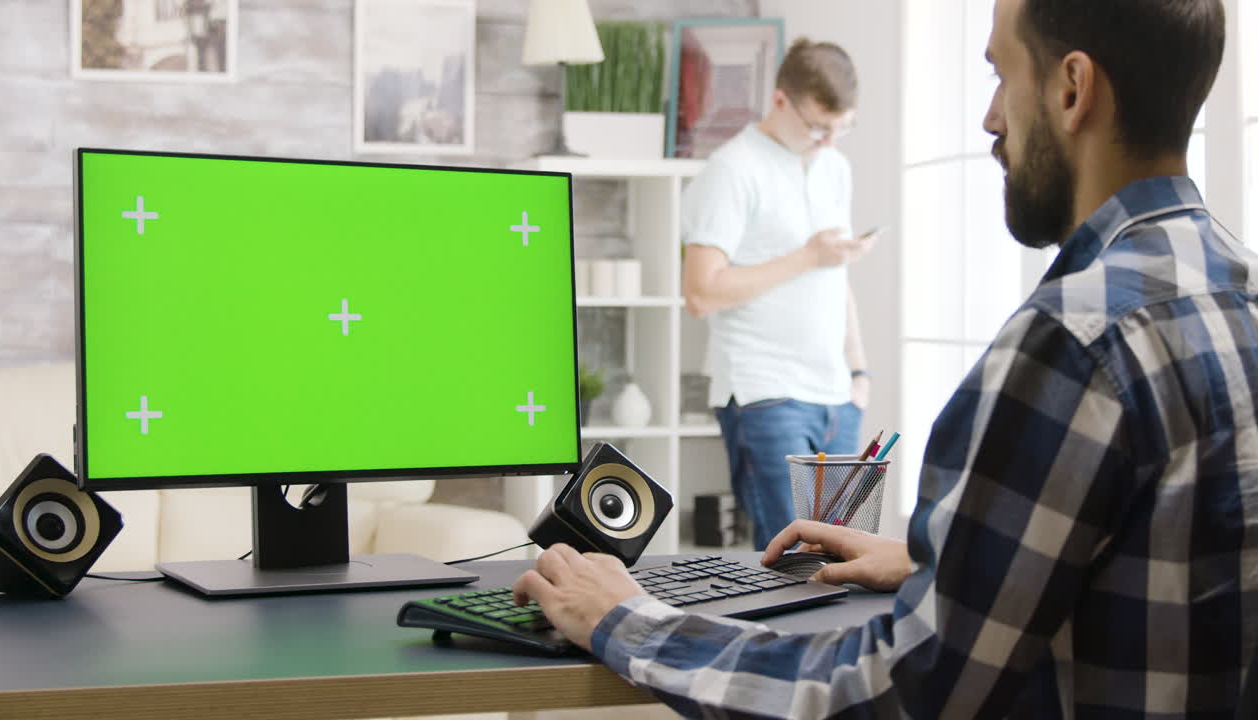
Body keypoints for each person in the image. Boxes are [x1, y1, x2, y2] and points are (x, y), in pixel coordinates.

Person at [513, 0, 1258, 716]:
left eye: (1001, 74)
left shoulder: (1073, 342)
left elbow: (894, 693)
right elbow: (1171, 560)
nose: (990, 118)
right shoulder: (1236, 289)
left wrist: (626, 618)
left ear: (1072, 88)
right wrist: (934, 564)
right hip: (769, 387)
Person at [680, 37, 876, 551]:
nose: (829, 141)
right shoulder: (732, 170)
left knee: (845, 559)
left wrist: (858, 374)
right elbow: (700, 292)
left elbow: (837, 277)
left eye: (842, 129)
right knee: (792, 564)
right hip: (766, 394)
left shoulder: (834, 166)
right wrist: (807, 256)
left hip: (836, 396)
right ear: (780, 100)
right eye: (817, 126)